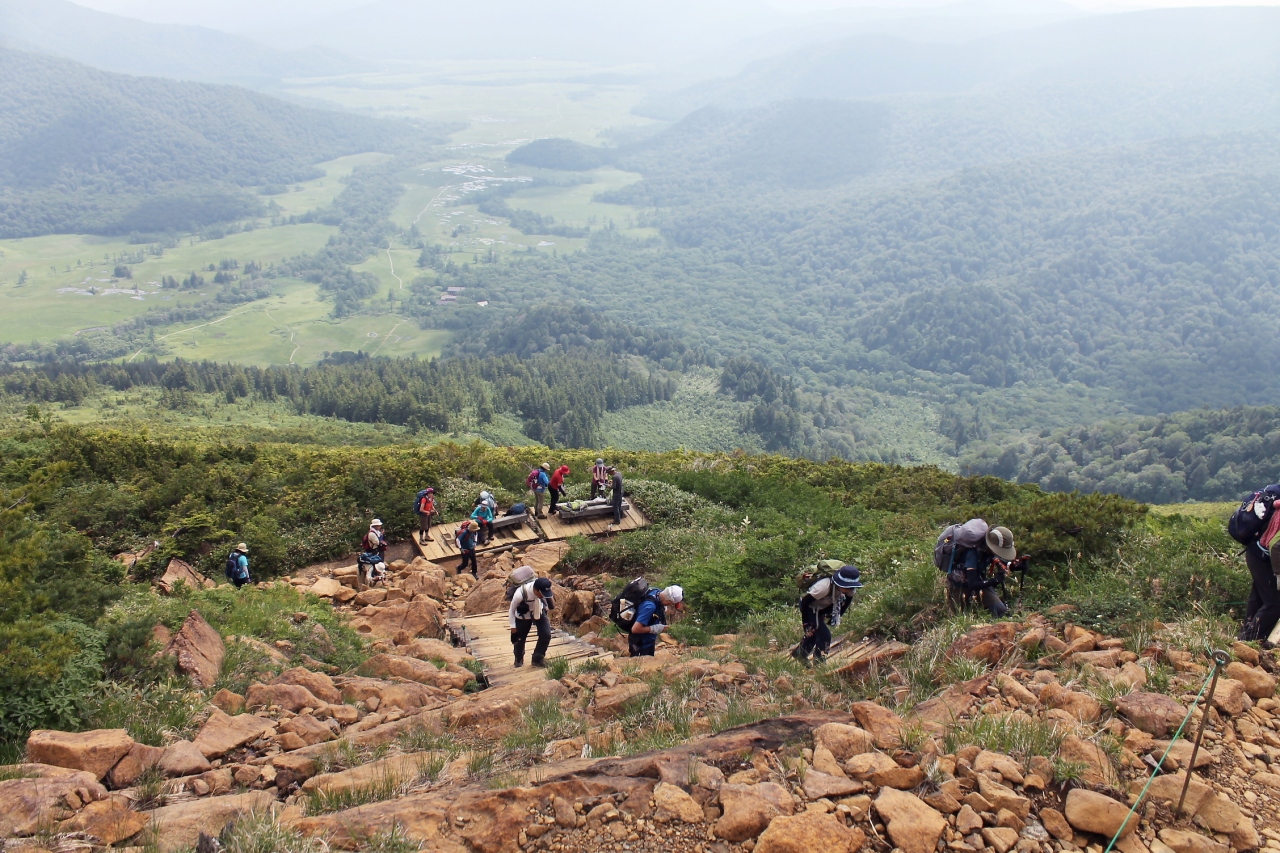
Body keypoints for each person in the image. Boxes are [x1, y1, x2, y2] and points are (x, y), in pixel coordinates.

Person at [793, 565, 862, 665]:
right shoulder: (822, 587)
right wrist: (806, 623)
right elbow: (805, 602)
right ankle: (819, 663)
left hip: (824, 607)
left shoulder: (850, 589)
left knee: (814, 633)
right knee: (824, 635)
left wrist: (837, 615)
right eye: (846, 586)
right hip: (811, 607)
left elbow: (847, 601)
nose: (849, 589)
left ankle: (800, 654)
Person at [1236, 485, 1280, 642]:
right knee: (1275, 603)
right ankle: (1248, 641)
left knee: (1261, 596)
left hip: (1255, 552)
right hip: (1264, 557)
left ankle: (1244, 638)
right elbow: (1276, 546)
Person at [944, 520, 1013, 618]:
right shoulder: (973, 553)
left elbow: (999, 561)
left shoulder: (987, 550)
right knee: (962, 616)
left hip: (979, 582)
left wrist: (1013, 565)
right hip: (960, 587)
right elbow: (972, 584)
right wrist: (994, 581)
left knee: (1000, 610)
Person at [510, 576, 555, 667]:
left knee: (546, 635)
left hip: (538, 610)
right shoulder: (520, 594)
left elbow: (548, 600)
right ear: (536, 590)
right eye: (542, 594)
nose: (543, 596)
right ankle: (518, 659)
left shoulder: (542, 590)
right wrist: (513, 630)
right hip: (523, 616)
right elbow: (511, 611)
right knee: (520, 638)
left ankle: (537, 659)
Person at [629, 585, 684, 657]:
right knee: (643, 666)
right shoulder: (650, 607)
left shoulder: (657, 592)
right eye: (672, 604)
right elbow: (635, 629)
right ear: (668, 601)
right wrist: (655, 628)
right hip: (641, 644)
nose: (671, 605)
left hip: (648, 641)